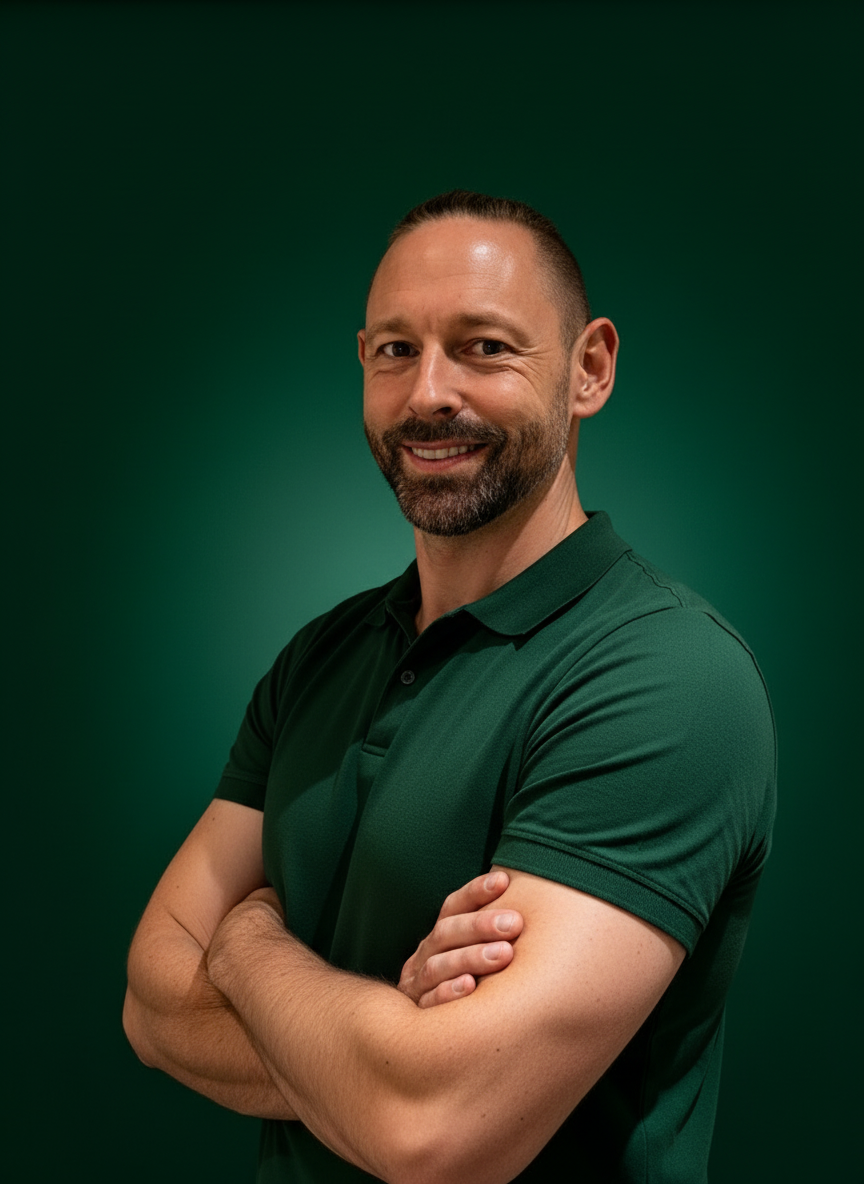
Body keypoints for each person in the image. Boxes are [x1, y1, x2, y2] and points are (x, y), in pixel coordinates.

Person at [123, 191, 776, 1183]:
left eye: (483, 347)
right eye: (395, 350)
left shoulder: (668, 677)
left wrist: (249, 940)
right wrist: (382, 1038)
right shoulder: (319, 655)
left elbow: (435, 1127)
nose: (430, 392)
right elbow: (149, 1004)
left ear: (588, 368)